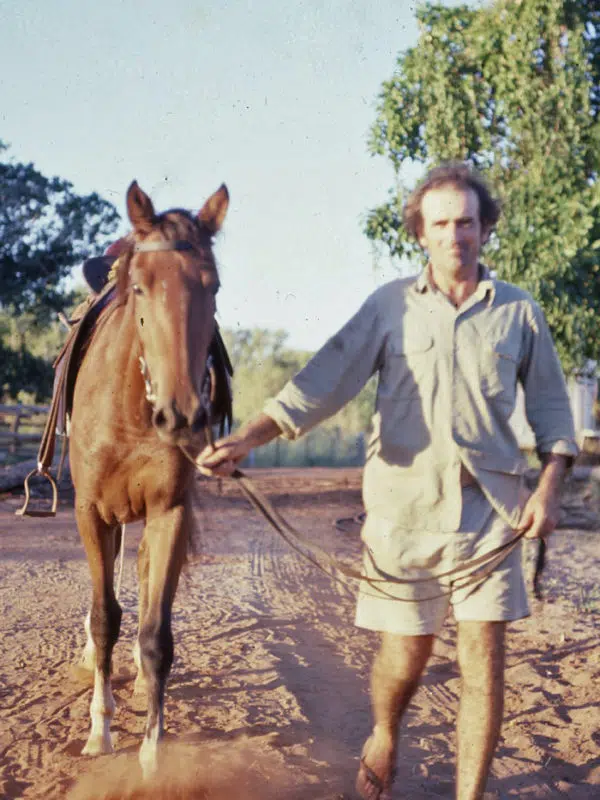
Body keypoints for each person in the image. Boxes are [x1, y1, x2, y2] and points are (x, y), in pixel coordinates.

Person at [197, 162, 578, 800]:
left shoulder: (519, 312)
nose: (455, 235)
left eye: (466, 222)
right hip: (402, 516)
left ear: (485, 229)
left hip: (492, 517)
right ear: (420, 234)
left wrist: (550, 488)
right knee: (404, 658)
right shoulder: (389, 306)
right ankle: (385, 731)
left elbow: (551, 413)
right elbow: (323, 382)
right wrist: (248, 437)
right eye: (441, 224)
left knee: (484, 663)